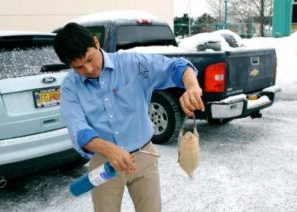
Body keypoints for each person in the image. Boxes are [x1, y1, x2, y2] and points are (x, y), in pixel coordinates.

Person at [53, 22, 204, 212]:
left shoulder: (134, 66)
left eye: (90, 59)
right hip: (104, 161)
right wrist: (110, 150)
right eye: (79, 67)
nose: (89, 69)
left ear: (96, 42)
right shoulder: (71, 87)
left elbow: (174, 68)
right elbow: (79, 130)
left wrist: (191, 85)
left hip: (143, 155)